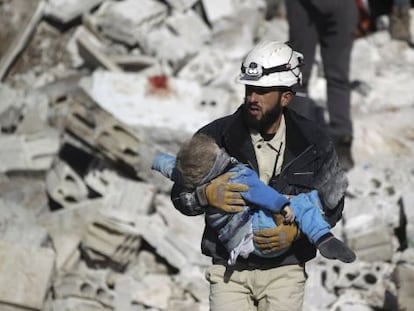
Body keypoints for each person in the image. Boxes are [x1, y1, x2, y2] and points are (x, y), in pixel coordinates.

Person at [170, 41, 349, 311]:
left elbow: (333, 204)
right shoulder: (215, 137)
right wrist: (205, 195)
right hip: (229, 271)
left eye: (262, 91)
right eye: (249, 89)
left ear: (286, 97)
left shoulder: (314, 141)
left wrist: (296, 232)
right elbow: (179, 195)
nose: (252, 97)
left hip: (285, 272)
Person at [152, 133, 356, 265]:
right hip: (260, 234)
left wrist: (156, 159)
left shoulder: (190, 176)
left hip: (234, 243)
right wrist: (283, 206)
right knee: (301, 203)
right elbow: (263, 194)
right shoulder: (237, 176)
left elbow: (172, 167)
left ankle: (314, 209)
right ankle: (323, 236)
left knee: (301, 204)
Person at [285, 0, 359, 171]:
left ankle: (342, 142)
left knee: (338, 76)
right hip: (303, 6)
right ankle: (295, 143)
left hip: (342, 8)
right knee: (298, 76)